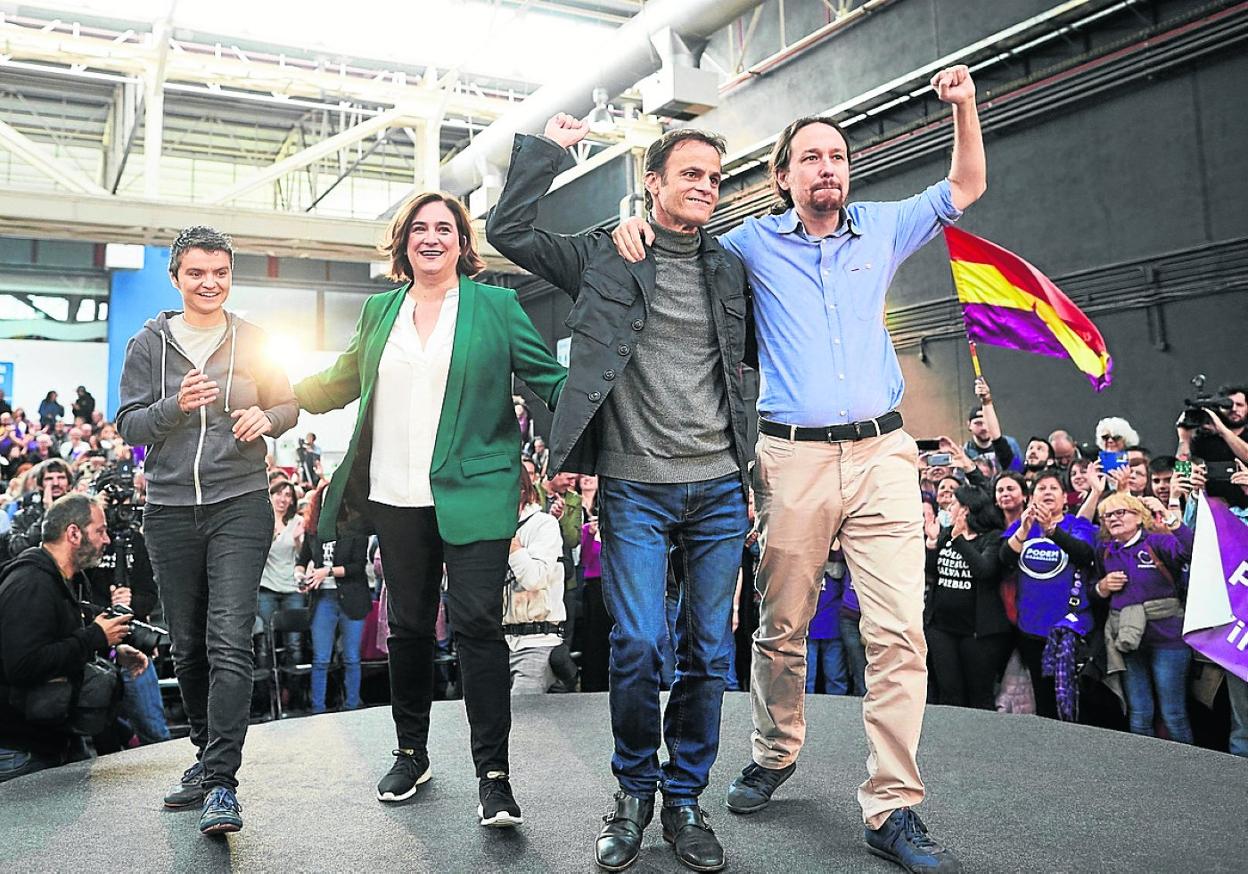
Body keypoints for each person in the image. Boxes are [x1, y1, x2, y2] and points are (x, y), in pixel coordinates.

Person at [614, 65, 984, 871]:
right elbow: (680, 240)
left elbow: (964, 185)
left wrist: (965, 107)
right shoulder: (747, 245)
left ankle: (892, 806)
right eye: (811, 158)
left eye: (838, 157)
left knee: (899, 634)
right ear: (783, 177)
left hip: (884, 454)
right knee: (781, 628)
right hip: (790, 458)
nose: (828, 168)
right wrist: (634, 226)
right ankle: (775, 750)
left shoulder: (883, 228)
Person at [489, 114, 753, 873]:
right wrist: (552, 152)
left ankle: (685, 797)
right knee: (637, 643)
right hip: (635, 485)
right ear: (653, 182)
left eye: (714, 178)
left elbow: (748, 362)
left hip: (718, 486)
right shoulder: (608, 253)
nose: (705, 187)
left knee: (710, 651)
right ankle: (634, 791)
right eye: (690, 175)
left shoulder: (730, 267)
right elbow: (509, 231)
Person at [293, 191, 565, 828]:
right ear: (403, 242)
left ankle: (494, 776)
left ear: (462, 242)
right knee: (409, 629)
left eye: (445, 227)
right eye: (419, 228)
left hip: (475, 493)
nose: (432, 237)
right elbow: (339, 381)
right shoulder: (379, 311)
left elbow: (549, 379)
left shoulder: (495, 307)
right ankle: (411, 753)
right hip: (394, 494)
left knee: (477, 627)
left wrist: (609, 405)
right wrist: (270, 393)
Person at [117, 225, 299, 835]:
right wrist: (176, 406)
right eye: (196, 273)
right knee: (189, 645)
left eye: (220, 272)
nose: (209, 283)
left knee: (228, 639)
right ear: (176, 278)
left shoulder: (254, 340)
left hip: (240, 504)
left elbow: (288, 405)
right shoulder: (149, 344)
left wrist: (265, 417)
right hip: (169, 509)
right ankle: (204, 755)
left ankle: (222, 782)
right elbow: (129, 425)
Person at [0, 494, 146, 781]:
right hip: (21, 749)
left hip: (56, 739)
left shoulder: (69, 580)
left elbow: (63, 644)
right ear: (74, 533)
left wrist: (113, 651)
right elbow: (23, 665)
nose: (106, 540)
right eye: (100, 531)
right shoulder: (30, 584)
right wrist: (95, 638)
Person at [1093, 492, 1193, 743]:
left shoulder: (1156, 542)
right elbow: (1091, 589)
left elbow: (1191, 550)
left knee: (1173, 714)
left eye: (1120, 512)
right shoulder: (1105, 550)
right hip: (1128, 640)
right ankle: (1144, 765)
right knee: (1139, 713)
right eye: (1107, 516)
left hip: (1168, 640)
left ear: (1139, 517)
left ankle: (1189, 765)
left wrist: (1168, 515)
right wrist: (1102, 587)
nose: (1113, 519)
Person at [998, 471, 1098, 721]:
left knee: (1072, 700)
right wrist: (1023, 530)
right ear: (1032, 498)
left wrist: (1051, 530)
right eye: (1041, 488)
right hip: (1031, 627)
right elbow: (1004, 559)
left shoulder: (1076, 525)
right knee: (1043, 700)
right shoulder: (1022, 527)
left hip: (1068, 628)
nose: (1047, 492)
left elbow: (1084, 554)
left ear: (1064, 498)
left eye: (1053, 488)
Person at [924, 485, 1011, 709]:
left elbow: (984, 570)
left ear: (966, 509)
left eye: (954, 504)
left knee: (979, 694)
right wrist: (932, 543)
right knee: (949, 691)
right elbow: (932, 572)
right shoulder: (946, 533)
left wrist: (959, 539)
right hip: (941, 628)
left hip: (978, 632)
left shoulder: (992, 538)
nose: (949, 509)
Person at [298, 483, 370, 714]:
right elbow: (301, 560)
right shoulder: (313, 530)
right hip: (323, 598)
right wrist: (300, 576)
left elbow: (358, 567)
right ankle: (318, 709)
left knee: (351, 657)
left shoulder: (356, 528)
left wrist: (327, 572)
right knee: (320, 659)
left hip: (351, 595)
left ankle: (352, 706)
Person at [502, 463, 566, 694]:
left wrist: (512, 544)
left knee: (523, 709)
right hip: (495, 643)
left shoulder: (543, 525)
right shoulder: (485, 527)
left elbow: (534, 579)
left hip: (537, 640)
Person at [258, 479, 307, 666]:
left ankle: (293, 683)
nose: (283, 499)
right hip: (266, 588)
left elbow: (305, 557)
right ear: (270, 496)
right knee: (266, 641)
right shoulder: (262, 522)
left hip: (292, 588)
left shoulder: (298, 522)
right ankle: (270, 682)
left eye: (288, 495)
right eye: (279, 494)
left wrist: (298, 541)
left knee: (294, 643)